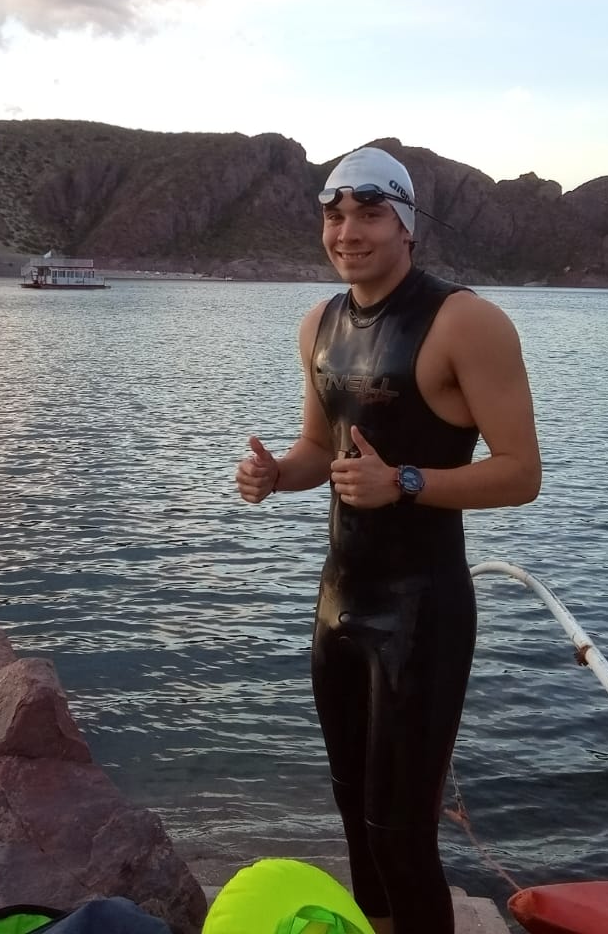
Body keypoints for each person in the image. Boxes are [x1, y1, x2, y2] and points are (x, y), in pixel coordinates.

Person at [235, 146, 542, 934]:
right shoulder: (319, 324)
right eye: (335, 216)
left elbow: (520, 473)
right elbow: (320, 452)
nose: (348, 232)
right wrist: (278, 475)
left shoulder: (465, 322)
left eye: (369, 214)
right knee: (353, 819)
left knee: (401, 838)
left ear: (406, 226)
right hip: (339, 604)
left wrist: (406, 482)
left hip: (422, 611)